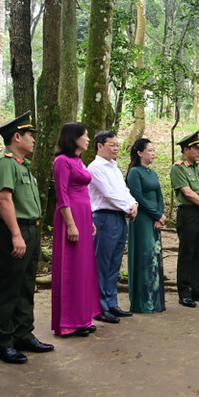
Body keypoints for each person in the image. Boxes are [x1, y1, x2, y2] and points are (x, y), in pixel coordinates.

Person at [0, 112, 54, 364]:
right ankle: (2, 342)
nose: (34, 140)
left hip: (30, 230)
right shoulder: (5, 163)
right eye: (30, 135)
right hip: (13, 231)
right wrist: (16, 235)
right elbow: (4, 199)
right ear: (17, 137)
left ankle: (23, 334)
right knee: (9, 287)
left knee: (26, 284)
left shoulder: (21, 165)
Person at [51, 122, 102, 336]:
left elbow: (85, 193)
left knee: (84, 267)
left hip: (83, 216)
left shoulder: (79, 161)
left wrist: (88, 220)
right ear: (73, 137)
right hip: (69, 216)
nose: (88, 139)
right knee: (70, 267)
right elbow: (62, 195)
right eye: (85, 135)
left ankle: (83, 317)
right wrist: (71, 224)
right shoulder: (62, 161)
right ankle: (68, 322)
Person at [88, 131, 138, 323]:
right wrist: (128, 207)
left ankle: (111, 302)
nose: (116, 148)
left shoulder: (114, 167)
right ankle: (99, 306)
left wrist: (133, 204)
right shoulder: (95, 168)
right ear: (100, 146)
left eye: (117, 145)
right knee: (102, 262)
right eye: (112, 145)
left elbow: (123, 190)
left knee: (115, 262)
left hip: (119, 217)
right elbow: (108, 194)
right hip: (104, 218)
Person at [170, 131, 199, 308]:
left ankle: (198, 288)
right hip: (189, 213)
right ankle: (184, 292)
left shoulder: (198, 167)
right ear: (186, 150)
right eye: (197, 148)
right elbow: (187, 192)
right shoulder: (179, 168)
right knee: (187, 252)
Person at [126, 138, 166, 313]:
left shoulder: (153, 173)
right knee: (145, 256)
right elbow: (138, 197)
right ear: (140, 153)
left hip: (155, 219)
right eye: (150, 150)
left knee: (155, 256)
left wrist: (160, 215)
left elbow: (159, 195)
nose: (153, 153)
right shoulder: (134, 173)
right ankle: (143, 302)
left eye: (153, 150)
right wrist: (156, 214)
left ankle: (155, 300)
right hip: (142, 219)